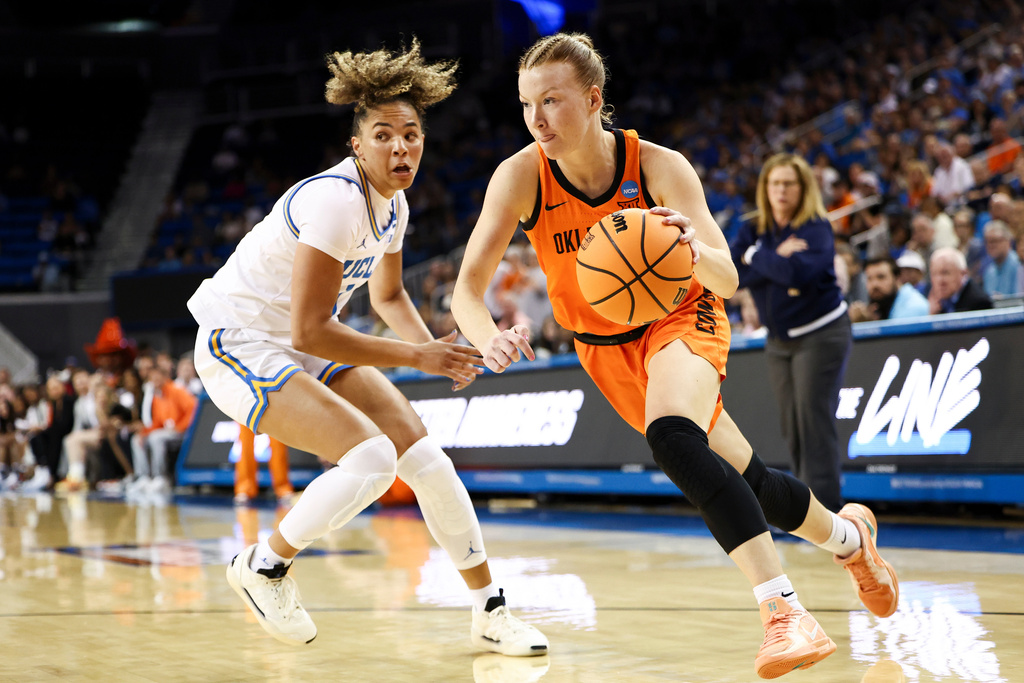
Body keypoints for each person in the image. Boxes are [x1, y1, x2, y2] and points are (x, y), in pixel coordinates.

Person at [450, 33, 897, 680]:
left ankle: (782, 610)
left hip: (682, 315)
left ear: (593, 98)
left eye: (551, 100)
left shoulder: (657, 165)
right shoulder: (521, 176)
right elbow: (467, 287)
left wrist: (693, 245)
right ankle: (856, 542)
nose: (537, 118)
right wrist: (485, 333)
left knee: (671, 434)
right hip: (603, 349)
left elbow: (726, 279)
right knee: (753, 485)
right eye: (526, 104)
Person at [186, 39, 547, 656]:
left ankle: (490, 610)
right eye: (383, 135)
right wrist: (417, 359)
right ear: (357, 145)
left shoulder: (395, 206)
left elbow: (387, 298)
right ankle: (264, 566)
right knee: (374, 459)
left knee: (426, 460)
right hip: (237, 340)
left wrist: (443, 350)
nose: (400, 146)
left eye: (410, 133)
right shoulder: (334, 200)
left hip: (296, 343)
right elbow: (309, 330)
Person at [731, 153, 852, 514]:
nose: (780, 190)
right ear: (764, 189)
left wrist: (758, 257)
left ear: (803, 189)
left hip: (821, 333)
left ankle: (828, 513)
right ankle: (805, 514)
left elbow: (798, 274)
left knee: (813, 422)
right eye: (774, 183)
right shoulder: (754, 229)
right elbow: (733, 275)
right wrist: (772, 257)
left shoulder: (815, 227)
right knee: (792, 426)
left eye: (788, 184)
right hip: (779, 340)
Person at [849, 257, 931, 322]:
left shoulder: (914, 306)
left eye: (881, 277)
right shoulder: (879, 305)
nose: (874, 284)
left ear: (897, 278)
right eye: (869, 279)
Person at [928, 247, 994, 314]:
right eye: (934, 274)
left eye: (945, 273)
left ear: (963, 273)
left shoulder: (979, 303)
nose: (940, 281)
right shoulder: (935, 302)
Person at [981, 220, 1022, 298]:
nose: (990, 245)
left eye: (994, 241)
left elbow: (1020, 300)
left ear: (1008, 241)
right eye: (987, 242)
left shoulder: (1019, 265)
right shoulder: (989, 271)